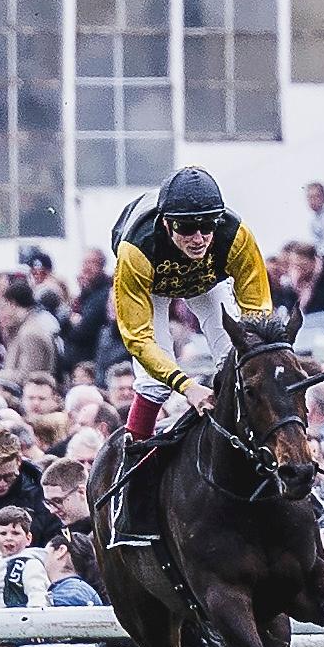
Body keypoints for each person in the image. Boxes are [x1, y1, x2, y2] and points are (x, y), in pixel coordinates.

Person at [106, 165, 275, 447]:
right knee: (154, 383)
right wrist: (187, 387)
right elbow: (137, 338)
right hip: (153, 285)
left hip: (207, 282)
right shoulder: (135, 251)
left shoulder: (237, 236)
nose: (198, 238)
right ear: (166, 223)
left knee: (237, 361)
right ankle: (132, 462)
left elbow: (258, 313)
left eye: (208, 225)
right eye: (186, 227)